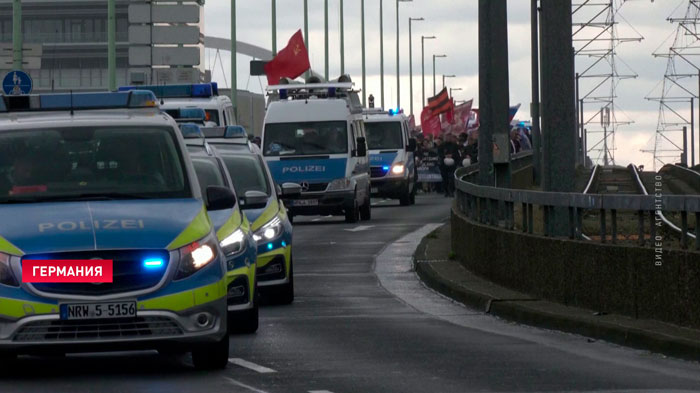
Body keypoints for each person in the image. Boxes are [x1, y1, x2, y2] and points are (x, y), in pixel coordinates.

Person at [438, 133, 462, 197]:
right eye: (447, 137)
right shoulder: (441, 146)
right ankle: (446, 191)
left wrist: (452, 156)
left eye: (449, 137)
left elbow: (458, 155)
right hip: (443, 165)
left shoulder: (455, 146)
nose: (448, 138)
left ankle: (451, 191)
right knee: (445, 178)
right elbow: (439, 155)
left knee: (452, 178)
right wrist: (445, 156)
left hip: (452, 164)